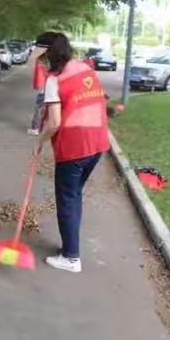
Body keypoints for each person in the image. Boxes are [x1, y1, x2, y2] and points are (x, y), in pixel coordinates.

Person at [34, 33, 110, 273]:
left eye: (41, 55)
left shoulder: (55, 80)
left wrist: (40, 141)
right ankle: (71, 247)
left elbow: (54, 122)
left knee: (67, 199)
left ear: (49, 54)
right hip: (97, 144)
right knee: (74, 195)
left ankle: (71, 257)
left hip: (74, 148)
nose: (39, 60)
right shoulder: (85, 69)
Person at [28, 32, 56, 136]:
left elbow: (31, 63)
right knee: (49, 108)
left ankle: (36, 128)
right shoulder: (49, 59)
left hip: (44, 87)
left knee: (39, 107)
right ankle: (45, 127)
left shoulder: (41, 59)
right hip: (50, 87)